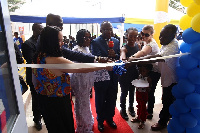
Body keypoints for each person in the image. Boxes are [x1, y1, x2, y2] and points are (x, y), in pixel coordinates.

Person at [32, 26, 112, 133]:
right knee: (64, 127)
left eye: (62, 40)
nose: (62, 43)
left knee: (53, 127)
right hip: (58, 102)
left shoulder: (38, 56)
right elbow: (82, 68)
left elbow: (35, 81)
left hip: (44, 100)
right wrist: (105, 66)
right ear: (50, 41)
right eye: (59, 40)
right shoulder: (56, 60)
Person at [129, 24, 180, 131]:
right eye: (160, 36)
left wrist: (134, 60)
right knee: (166, 99)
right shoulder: (166, 43)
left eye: (164, 37)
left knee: (166, 101)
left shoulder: (172, 46)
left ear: (173, 36)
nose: (161, 38)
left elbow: (155, 57)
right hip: (165, 77)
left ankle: (162, 122)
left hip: (171, 80)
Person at [91, 21, 120, 132]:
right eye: (106, 29)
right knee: (100, 99)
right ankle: (100, 121)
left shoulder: (116, 41)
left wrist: (115, 55)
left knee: (112, 98)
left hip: (114, 75)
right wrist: (108, 55)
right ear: (101, 30)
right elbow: (96, 57)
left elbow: (118, 55)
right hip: (101, 76)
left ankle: (110, 118)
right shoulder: (95, 42)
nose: (109, 31)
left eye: (110, 29)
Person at [129, 25, 161, 120]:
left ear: (152, 34)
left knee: (150, 92)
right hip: (146, 71)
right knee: (145, 93)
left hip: (153, 72)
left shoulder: (151, 44)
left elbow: (143, 53)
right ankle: (144, 111)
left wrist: (132, 58)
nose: (143, 36)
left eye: (146, 34)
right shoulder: (146, 42)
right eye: (142, 33)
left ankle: (149, 111)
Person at [71, 29, 94, 133]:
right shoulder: (77, 50)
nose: (88, 39)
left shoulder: (86, 48)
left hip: (86, 79)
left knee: (85, 103)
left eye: (89, 37)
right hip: (80, 80)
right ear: (80, 39)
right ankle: (82, 127)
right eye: (86, 38)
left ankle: (87, 122)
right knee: (81, 103)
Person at [21, 23, 44, 131]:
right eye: (40, 29)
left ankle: (42, 114)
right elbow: (32, 60)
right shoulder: (27, 44)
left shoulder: (43, 42)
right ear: (34, 30)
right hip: (33, 76)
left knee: (43, 97)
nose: (42, 31)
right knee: (36, 98)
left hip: (44, 75)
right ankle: (37, 119)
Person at [119, 27, 139, 121]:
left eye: (135, 36)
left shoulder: (138, 46)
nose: (133, 38)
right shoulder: (124, 47)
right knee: (124, 92)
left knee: (132, 91)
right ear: (127, 36)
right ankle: (122, 109)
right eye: (131, 36)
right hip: (125, 74)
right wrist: (123, 57)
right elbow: (122, 59)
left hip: (134, 73)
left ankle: (131, 107)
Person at [131, 64, 153, 129]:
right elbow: (137, 82)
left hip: (144, 94)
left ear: (148, 71)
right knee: (139, 105)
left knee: (143, 107)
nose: (142, 72)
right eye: (141, 71)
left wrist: (145, 86)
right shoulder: (140, 76)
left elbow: (149, 87)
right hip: (138, 93)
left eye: (144, 71)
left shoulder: (148, 78)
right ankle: (138, 117)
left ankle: (142, 121)